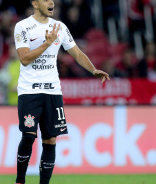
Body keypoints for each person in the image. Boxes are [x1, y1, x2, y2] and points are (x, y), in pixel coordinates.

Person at [13, 1, 110, 184]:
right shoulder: (23, 26)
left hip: (53, 92)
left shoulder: (60, 27)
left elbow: (77, 54)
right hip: (29, 91)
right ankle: (20, 180)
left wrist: (93, 69)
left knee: (50, 140)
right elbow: (24, 58)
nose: (51, 2)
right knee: (28, 136)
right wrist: (46, 44)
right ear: (35, 3)